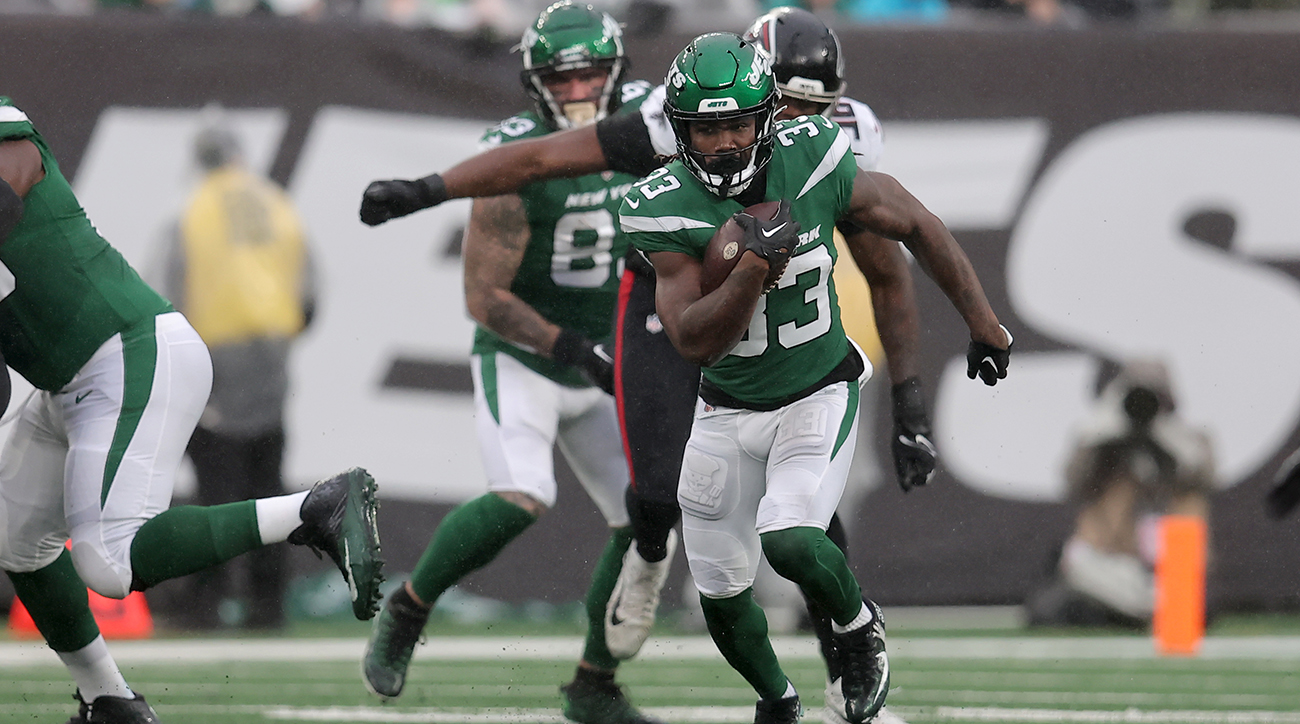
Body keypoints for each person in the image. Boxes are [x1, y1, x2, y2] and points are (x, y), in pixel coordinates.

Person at [358, 9, 941, 723]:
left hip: (769, 339)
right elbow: (537, 161)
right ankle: (645, 551)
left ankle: (841, 678)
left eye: (808, 107)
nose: (783, 122)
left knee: (807, 523)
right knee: (651, 492)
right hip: (656, 320)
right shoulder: (668, 122)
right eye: (780, 102)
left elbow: (888, 268)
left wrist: (910, 399)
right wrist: (426, 189)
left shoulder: (826, 146)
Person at [617, 33, 1010, 724]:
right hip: (725, 406)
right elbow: (692, 340)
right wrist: (749, 269)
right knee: (721, 588)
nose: (726, 144)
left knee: (792, 536)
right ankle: (779, 700)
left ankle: (859, 633)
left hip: (817, 391)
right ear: (681, 131)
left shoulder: (814, 154)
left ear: (768, 116)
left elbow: (915, 223)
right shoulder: (660, 203)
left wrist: (984, 324)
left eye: (739, 123)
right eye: (707, 129)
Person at [0, 97, 383, 724]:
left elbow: (8, 185)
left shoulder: (7, 134)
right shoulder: (257, 204)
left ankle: (316, 508)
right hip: (70, 375)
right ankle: (109, 700)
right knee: (13, 539)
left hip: (126, 349)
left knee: (109, 560)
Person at [359, 5, 660, 724]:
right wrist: (570, 349)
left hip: (608, 352)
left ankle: (594, 683)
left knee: (648, 520)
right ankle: (408, 607)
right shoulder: (513, 157)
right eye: (566, 75)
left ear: (616, 71)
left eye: (593, 72)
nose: (582, 86)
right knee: (522, 495)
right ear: (535, 82)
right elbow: (482, 296)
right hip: (528, 355)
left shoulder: (653, 124)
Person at [159, 113, 318, 630]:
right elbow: (310, 291)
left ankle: (207, 599)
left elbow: (166, 291)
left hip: (212, 354)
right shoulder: (277, 203)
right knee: (268, 477)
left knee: (216, 483)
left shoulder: (192, 211)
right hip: (271, 353)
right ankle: (268, 600)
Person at [1026, 358, 1214, 628]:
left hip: (1171, 563)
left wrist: (1168, 439)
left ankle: (1151, 605)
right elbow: (1072, 482)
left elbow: (1205, 477)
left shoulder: (1192, 438)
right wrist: (1100, 435)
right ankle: (1136, 606)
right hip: (1113, 559)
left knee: (1190, 498)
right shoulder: (1106, 445)